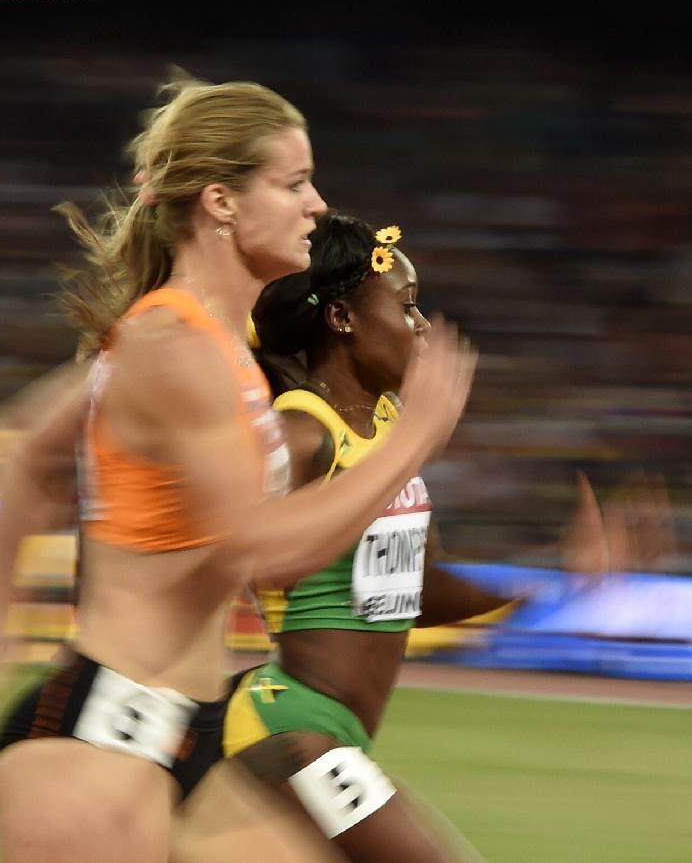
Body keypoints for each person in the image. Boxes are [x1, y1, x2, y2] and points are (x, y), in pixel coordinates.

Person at [0, 79, 477, 863]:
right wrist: (413, 438)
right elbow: (259, 548)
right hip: (98, 736)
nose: (316, 203)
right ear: (221, 202)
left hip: (195, 731)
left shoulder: (219, 346)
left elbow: (23, 448)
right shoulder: (174, 345)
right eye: (292, 184)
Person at [216, 212, 597, 862]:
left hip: (336, 733)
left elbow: (415, 589)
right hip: (288, 723)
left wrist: (553, 580)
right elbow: (242, 553)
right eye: (408, 307)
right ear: (342, 320)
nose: (422, 327)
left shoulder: (393, 426)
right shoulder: (302, 433)